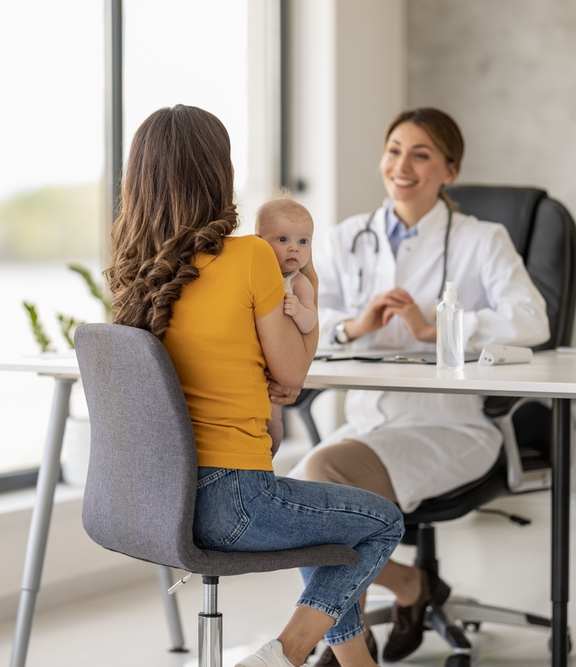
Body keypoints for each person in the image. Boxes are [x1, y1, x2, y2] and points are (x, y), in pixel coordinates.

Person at [105, 104, 404, 667]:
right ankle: (288, 655)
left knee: (332, 540)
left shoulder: (137, 275)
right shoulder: (249, 257)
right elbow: (292, 374)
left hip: (154, 503)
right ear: (219, 174)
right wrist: (309, 290)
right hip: (232, 500)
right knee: (382, 521)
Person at [290, 108, 550, 666]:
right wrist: (353, 326)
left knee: (317, 485)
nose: (401, 165)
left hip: (450, 426)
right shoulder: (345, 238)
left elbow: (533, 319)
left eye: (421, 154)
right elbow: (309, 316)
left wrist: (442, 328)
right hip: (368, 423)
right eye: (393, 150)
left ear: (449, 170)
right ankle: (408, 587)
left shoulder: (482, 240)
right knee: (298, 511)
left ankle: (334, 649)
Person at [254, 196, 318, 455]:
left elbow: (311, 322)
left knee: (272, 421)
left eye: (303, 241)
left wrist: (299, 311)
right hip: (257, 368)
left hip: (277, 376)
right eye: (283, 240)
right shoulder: (256, 273)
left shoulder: (298, 282)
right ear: (259, 242)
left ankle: (268, 462)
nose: (294, 248)